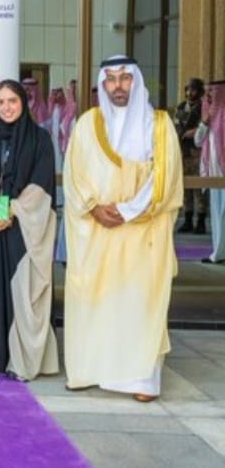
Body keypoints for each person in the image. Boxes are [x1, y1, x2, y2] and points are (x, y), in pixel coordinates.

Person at [63, 56, 182, 402]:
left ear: (136, 81)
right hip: (98, 231)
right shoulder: (87, 124)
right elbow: (74, 173)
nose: (118, 86)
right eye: (111, 79)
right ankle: (94, 370)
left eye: (125, 78)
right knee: (98, 300)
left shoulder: (159, 125)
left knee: (140, 303)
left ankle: (142, 380)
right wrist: (93, 207)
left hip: (143, 232)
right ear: (103, 84)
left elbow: (165, 177)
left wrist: (128, 210)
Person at [0, 79, 59, 381]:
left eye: (12, 101)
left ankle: (20, 362)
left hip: (24, 228)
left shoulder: (39, 139)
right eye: (0, 102)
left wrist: (11, 211)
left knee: (21, 291)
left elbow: (41, 183)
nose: (6, 107)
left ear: (23, 103)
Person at [195, 80, 225, 264]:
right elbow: (198, 141)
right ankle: (218, 253)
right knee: (216, 215)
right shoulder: (207, 119)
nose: (209, 97)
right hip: (214, 176)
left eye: (213, 92)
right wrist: (204, 123)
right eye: (208, 93)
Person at [174, 78, 208, 233]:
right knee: (185, 186)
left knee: (199, 187)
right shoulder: (181, 107)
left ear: (199, 91)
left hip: (197, 152)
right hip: (183, 151)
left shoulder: (203, 108)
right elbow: (176, 125)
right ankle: (188, 219)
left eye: (193, 90)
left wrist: (193, 132)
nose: (189, 93)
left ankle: (200, 220)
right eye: (188, 89)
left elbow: (205, 127)